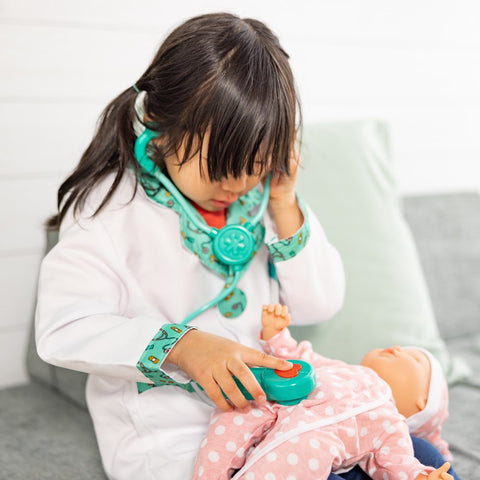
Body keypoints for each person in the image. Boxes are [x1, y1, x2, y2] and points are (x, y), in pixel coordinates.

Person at [34, 13, 346, 480]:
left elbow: (319, 304)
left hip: (269, 420)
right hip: (167, 436)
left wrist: (284, 204)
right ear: (158, 123)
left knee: (402, 449)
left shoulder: (264, 198)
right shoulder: (109, 209)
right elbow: (64, 327)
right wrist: (183, 348)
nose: (240, 185)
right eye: (222, 167)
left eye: (256, 165)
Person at [192, 304, 458, 480]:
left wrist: (420, 475)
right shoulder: (345, 369)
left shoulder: (391, 424)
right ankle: (208, 473)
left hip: (313, 444)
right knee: (235, 410)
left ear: (421, 402)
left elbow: (396, 462)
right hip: (276, 407)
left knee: (300, 457)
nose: (399, 348)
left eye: (416, 359)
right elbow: (298, 359)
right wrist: (276, 334)